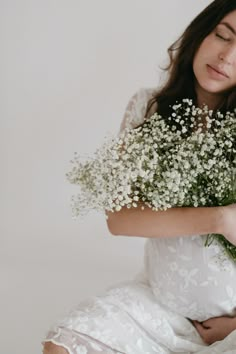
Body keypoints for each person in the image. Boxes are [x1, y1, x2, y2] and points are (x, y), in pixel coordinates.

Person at [42, 0, 236, 353]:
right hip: (162, 307)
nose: (226, 56)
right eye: (222, 35)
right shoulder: (148, 108)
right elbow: (120, 219)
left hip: (232, 324)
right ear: (199, 35)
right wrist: (220, 218)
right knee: (63, 344)